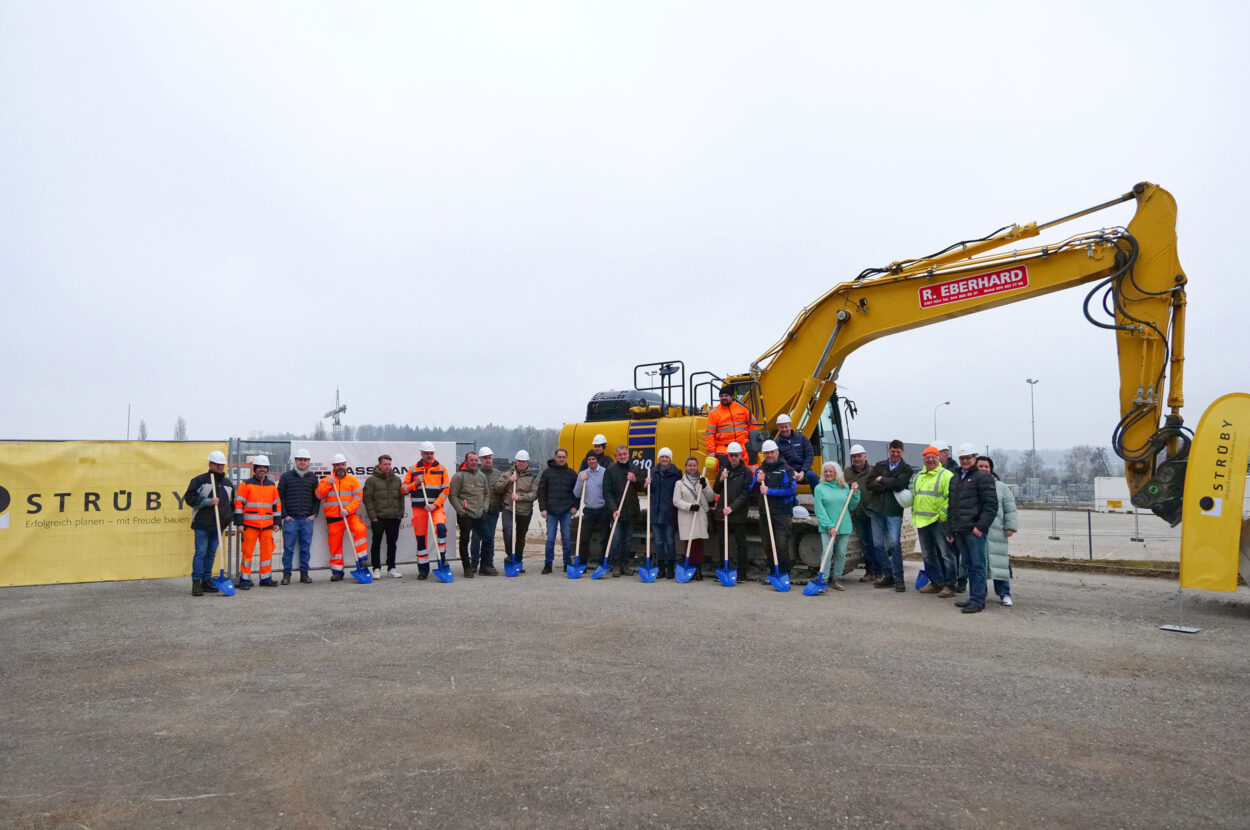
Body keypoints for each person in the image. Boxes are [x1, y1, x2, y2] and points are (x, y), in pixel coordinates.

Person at [945, 443, 999, 614]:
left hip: (974, 530)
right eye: (962, 458)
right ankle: (975, 596)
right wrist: (950, 529)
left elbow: (991, 506)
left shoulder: (983, 478)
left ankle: (977, 600)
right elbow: (951, 505)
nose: (965, 461)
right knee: (969, 565)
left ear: (975, 458)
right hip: (960, 530)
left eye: (968, 458)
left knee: (977, 565)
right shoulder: (956, 478)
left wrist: (980, 526)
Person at [864, 439, 914, 592]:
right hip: (877, 509)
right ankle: (888, 575)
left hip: (893, 511)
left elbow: (899, 485)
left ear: (902, 452)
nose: (895, 454)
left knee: (894, 544)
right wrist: (887, 484)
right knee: (878, 545)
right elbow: (869, 483)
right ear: (889, 450)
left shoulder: (907, 468)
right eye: (893, 451)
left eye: (898, 452)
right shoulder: (880, 465)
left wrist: (882, 480)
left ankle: (899, 579)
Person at [183, 450, 234, 596]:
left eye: (221, 464)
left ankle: (207, 580)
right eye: (216, 464)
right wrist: (207, 502)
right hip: (202, 524)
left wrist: (227, 518)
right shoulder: (199, 480)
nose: (219, 467)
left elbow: (232, 504)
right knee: (200, 553)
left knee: (211, 554)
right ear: (210, 464)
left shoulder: (228, 484)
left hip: (219, 526)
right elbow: (189, 498)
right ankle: (196, 582)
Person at [911, 446, 958, 598]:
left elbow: (950, 498)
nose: (930, 460)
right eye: (927, 457)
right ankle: (936, 583)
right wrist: (915, 515)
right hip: (922, 521)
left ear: (939, 459)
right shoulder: (918, 476)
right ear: (923, 459)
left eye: (933, 457)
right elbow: (915, 497)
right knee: (928, 555)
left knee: (946, 554)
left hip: (939, 521)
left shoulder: (947, 475)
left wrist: (942, 516)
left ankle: (950, 585)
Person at [315, 453, 369, 582]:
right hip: (333, 518)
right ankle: (337, 571)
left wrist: (348, 510)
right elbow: (318, 495)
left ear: (346, 466)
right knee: (335, 545)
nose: (340, 467)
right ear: (333, 466)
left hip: (349, 516)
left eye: (342, 464)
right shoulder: (326, 480)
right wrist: (328, 483)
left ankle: (362, 560)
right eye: (338, 465)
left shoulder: (353, 480)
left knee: (360, 529)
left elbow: (357, 498)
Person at [403, 441, 451, 580]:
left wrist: (435, 505)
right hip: (419, 508)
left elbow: (446, 490)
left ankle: (442, 561)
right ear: (421, 454)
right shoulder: (413, 469)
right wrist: (416, 483)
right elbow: (403, 490)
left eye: (431, 453)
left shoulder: (441, 468)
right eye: (426, 453)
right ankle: (423, 569)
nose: (429, 455)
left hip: (435, 507)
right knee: (421, 539)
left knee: (441, 529)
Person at [233, 454, 282, 589]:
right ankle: (245, 580)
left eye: (265, 467)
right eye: (259, 467)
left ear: (267, 469)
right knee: (247, 553)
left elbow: (276, 505)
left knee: (267, 553)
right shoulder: (246, 484)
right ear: (254, 468)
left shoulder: (272, 486)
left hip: (267, 526)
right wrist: (239, 523)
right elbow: (238, 505)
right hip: (249, 526)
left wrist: (277, 523)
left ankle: (266, 578)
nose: (262, 470)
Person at [812, 462, 860, 591]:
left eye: (831, 472)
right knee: (827, 553)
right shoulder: (819, 488)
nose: (828, 474)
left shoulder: (844, 487)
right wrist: (829, 526)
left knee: (841, 554)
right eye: (826, 471)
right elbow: (819, 510)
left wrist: (855, 493)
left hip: (843, 526)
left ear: (836, 473)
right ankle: (823, 579)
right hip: (827, 527)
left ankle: (837, 579)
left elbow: (851, 506)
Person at [978, 456, 1017, 606]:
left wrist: (1010, 526)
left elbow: (1010, 508)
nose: (983, 469)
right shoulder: (972, 485)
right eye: (980, 466)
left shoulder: (1001, 487)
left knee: (1000, 563)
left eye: (986, 466)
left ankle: (1004, 593)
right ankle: (980, 593)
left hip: (997, 531)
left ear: (991, 468)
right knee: (979, 564)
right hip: (978, 530)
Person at [755, 439, 797, 579]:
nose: (769, 455)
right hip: (764, 512)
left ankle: (784, 572)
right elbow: (750, 489)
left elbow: (790, 490)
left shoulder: (787, 470)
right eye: (766, 453)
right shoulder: (760, 470)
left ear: (777, 452)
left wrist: (770, 491)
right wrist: (756, 480)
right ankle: (773, 572)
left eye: (772, 452)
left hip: (782, 513)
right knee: (767, 544)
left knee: (780, 544)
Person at [713, 442, 754, 582]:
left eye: (736, 455)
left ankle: (742, 573)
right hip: (722, 513)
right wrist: (720, 479)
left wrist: (732, 507)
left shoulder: (746, 472)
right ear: (728, 456)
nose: (734, 458)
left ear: (740, 456)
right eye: (731, 455)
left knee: (740, 543)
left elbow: (745, 494)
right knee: (722, 543)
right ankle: (724, 568)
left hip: (737, 514)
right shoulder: (723, 470)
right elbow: (716, 490)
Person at [602, 445, 645, 577]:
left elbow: (642, 487)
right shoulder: (610, 470)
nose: (622, 456)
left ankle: (625, 565)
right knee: (616, 539)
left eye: (624, 454)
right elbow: (606, 492)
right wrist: (614, 509)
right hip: (616, 512)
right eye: (620, 454)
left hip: (631, 511)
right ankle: (615, 565)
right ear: (616, 456)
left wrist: (635, 480)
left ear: (628, 454)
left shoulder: (634, 469)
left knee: (627, 540)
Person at [450, 450, 494, 577]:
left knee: (488, 539)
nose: (474, 462)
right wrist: (461, 511)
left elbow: (486, 494)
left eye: (476, 460)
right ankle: (467, 568)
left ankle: (484, 566)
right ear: (466, 461)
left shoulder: (481, 476)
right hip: (465, 515)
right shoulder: (459, 476)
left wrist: (485, 509)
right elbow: (452, 495)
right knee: (464, 540)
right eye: (471, 460)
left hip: (480, 514)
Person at [278, 448, 319, 584]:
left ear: (308, 462)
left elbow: (317, 498)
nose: (302, 462)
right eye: (300, 460)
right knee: (288, 548)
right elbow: (280, 498)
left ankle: (304, 574)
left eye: (305, 460)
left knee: (305, 549)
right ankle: (286, 575)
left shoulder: (313, 477)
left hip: (307, 519)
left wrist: (314, 514)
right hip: (291, 519)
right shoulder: (286, 477)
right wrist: (285, 515)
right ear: (295, 461)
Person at [672, 456, 714, 580]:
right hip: (686, 516)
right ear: (686, 467)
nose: (692, 468)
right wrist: (689, 506)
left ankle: (698, 569)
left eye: (694, 465)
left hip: (699, 515)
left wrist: (705, 486)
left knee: (699, 543)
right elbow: (676, 500)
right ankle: (690, 566)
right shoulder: (680, 483)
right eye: (689, 465)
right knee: (689, 544)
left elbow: (711, 497)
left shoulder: (703, 479)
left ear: (697, 466)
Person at [537, 449, 579, 573]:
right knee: (550, 539)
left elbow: (577, 493)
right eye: (559, 457)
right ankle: (548, 564)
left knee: (566, 538)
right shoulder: (547, 473)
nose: (561, 459)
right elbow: (541, 492)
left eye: (563, 457)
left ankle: (567, 563)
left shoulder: (572, 474)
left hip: (566, 511)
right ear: (555, 457)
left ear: (566, 458)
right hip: (551, 512)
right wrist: (543, 508)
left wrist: (575, 506)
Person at [363, 454, 404, 578]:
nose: (387, 466)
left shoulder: (397, 480)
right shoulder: (371, 480)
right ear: (379, 465)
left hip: (393, 517)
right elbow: (367, 499)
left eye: (389, 464)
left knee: (392, 544)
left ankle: (391, 568)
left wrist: (400, 515)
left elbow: (401, 499)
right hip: (378, 518)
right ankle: (376, 568)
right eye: (385, 464)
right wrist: (373, 517)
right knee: (376, 544)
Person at [498, 449, 539, 572]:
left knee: (521, 536)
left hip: (524, 510)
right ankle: (510, 556)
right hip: (509, 508)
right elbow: (498, 489)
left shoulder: (533, 476)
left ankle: (518, 561)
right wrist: (509, 481)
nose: (521, 463)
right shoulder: (507, 474)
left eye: (524, 461)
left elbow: (534, 494)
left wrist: (520, 498)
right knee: (507, 529)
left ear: (527, 463)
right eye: (519, 461)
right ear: (516, 461)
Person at [843, 444, 878, 583]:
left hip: (872, 513)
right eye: (854, 457)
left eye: (859, 456)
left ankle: (879, 572)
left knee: (876, 543)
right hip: (858, 514)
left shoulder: (874, 472)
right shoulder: (848, 474)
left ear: (865, 456)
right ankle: (870, 572)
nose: (857, 459)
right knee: (865, 544)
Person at [649, 448, 682, 577]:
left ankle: (670, 568)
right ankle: (660, 568)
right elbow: (647, 490)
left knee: (669, 541)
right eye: (662, 457)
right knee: (658, 542)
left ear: (670, 459)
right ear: (659, 458)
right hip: (656, 512)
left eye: (667, 457)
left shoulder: (676, 473)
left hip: (669, 512)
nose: (664, 459)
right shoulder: (652, 472)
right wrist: (646, 484)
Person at [573, 452, 609, 571]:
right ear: (587, 461)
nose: (592, 461)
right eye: (589, 459)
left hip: (603, 509)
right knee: (584, 538)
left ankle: (602, 563)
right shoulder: (583, 474)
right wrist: (580, 481)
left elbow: (609, 490)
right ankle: (582, 563)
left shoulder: (604, 472)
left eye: (593, 459)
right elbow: (576, 494)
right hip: (589, 510)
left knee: (605, 537)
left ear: (597, 460)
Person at [705, 387, 757, 467]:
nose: (724, 398)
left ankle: (753, 477)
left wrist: (752, 440)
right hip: (723, 444)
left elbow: (753, 424)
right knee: (723, 461)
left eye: (726, 395)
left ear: (731, 397)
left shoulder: (742, 408)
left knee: (752, 453)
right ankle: (726, 479)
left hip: (742, 441)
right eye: (721, 396)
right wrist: (711, 451)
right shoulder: (714, 413)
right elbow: (709, 433)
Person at [477, 447, 504, 576]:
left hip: (493, 510)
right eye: (485, 458)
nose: (488, 460)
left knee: (490, 539)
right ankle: (473, 564)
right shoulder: (475, 474)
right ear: (480, 460)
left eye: (489, 458)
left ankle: (488, 563)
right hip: (477, 512)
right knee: (476, 538)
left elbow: (503, 491)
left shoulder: (499, 474)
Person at [774, 414, 816, 492]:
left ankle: (818, 500)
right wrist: (793, 472)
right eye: (781, 427)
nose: (784, 429)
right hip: (788, 472)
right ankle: (792, 503)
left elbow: (809, 455)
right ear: (778, 428)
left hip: (805, 470)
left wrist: (803, 471)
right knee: (786, 481)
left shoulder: (802, 439)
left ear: (790, 426)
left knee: (813, 476)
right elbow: (781, 461)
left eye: (786, 426)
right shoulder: (776, 444)